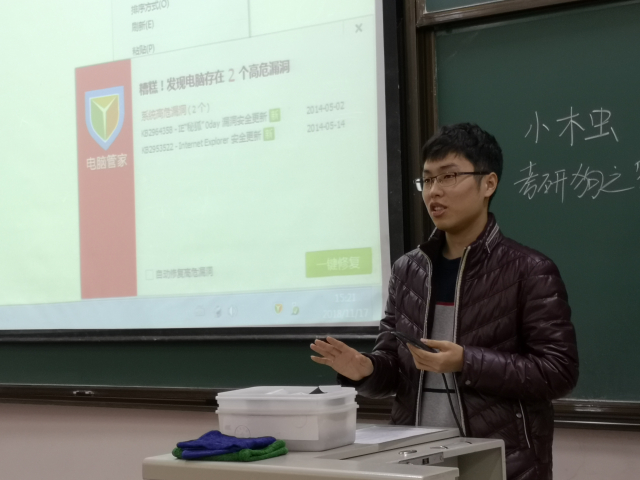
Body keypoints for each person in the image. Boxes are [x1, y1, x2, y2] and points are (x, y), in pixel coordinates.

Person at [310, 123, 579, 480]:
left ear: (488, 184)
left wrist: (466, 362)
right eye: (427, 180)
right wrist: (365, 370)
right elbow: (396, 370)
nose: (434, 191)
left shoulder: (529, 270)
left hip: (498, 462)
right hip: (416, 461)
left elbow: (558, 372)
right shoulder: (408, 270)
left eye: (449, 176)